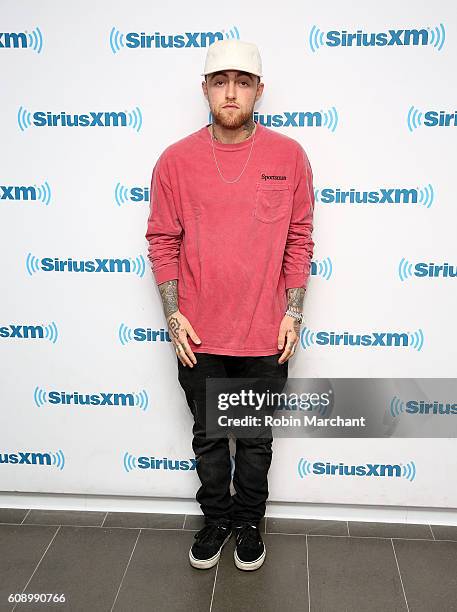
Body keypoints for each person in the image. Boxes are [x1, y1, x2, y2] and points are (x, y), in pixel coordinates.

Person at [145, 39, 315, 571]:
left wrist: (293, 313)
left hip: (266, 334)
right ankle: (216, 519)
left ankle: (248, 522)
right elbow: (162, 241)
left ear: (259, 90)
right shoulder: (175, 161)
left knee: (256, 441)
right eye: (221, 81)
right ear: (205, 90)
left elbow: (299, 238)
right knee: (211, 440)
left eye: (243, 81)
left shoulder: (288, 156)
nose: (231, 92)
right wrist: (174, 315)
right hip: (200, 335)